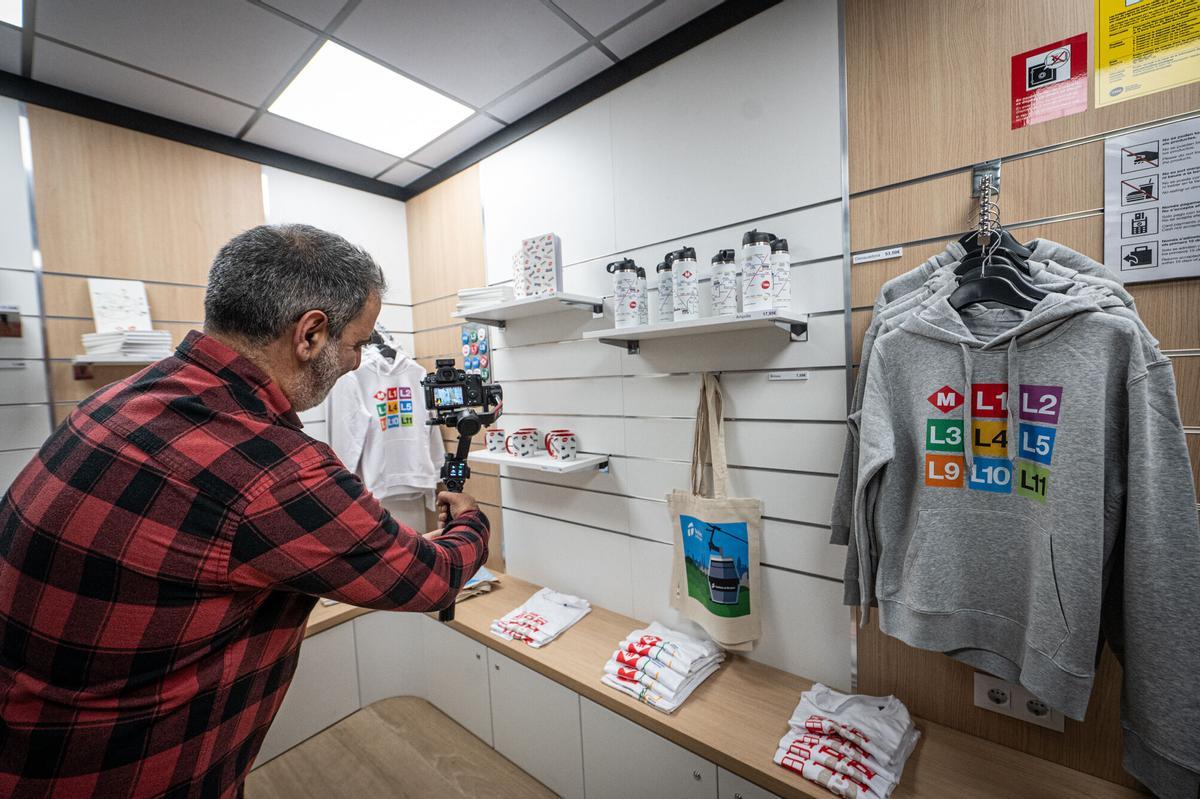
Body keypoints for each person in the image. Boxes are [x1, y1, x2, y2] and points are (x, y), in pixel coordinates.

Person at [0, 224, 490, 797]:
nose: (359, 361)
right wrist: (471, 521)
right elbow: (427, 581)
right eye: (358, 342)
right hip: (125, 774)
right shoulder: (275, 469)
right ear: (310, 333)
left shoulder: (114, 401)